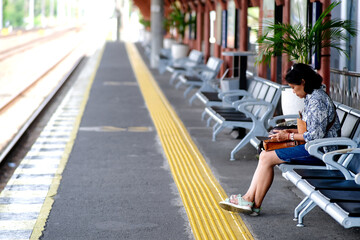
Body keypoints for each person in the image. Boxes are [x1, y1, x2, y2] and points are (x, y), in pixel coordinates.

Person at [219, 63, 341, 216]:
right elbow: (314, 129)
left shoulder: (317, 100)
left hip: (320, 152)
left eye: (293, 87)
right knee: (265, 155)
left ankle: (250, 200)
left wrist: (288, 136)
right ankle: (251, 203)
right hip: (313, 147)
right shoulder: (312, 96)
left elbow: (315, 136)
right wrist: (291, 130)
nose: (293, 91)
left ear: (303, 82)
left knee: (267, 157)